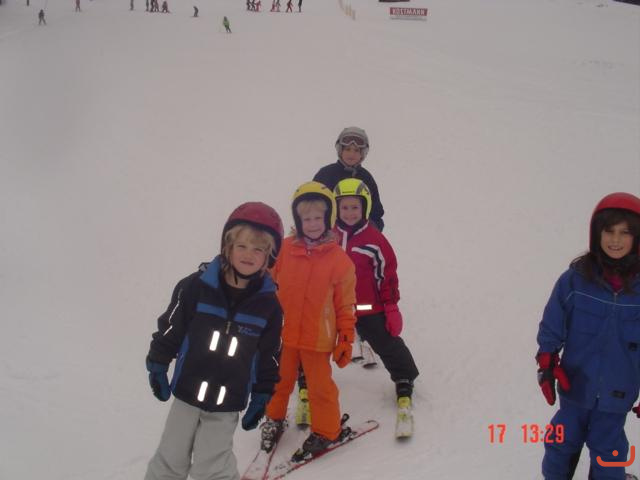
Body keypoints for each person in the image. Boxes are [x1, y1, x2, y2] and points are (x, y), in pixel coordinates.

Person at [144, 202, 284, 480]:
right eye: (242, 245)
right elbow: (172, 327)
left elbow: (269, 355)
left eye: (258, 249)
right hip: (186, 393)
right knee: (170, 456)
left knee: (213, 466)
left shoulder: (269, 308)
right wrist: (158, 362)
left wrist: (262, 394)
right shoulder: (196, 287)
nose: (249, 254)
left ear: (269, 256)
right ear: (227, 246)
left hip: (227, 401)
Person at [536, 192, 640, 480]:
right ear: (596, 233)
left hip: (618, 393)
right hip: (575, 386)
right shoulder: (575, 280)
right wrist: (547, 362)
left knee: (610, 450)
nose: (615, 240)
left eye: (625, 233)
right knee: (559, 442)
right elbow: (553, 322)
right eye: (609, 231)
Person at [260, 181, 357, 461]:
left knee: (320, 387)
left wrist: (345, 339)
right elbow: (266, 284)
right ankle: (274, 418)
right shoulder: (284, 250)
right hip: (284, 334)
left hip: (318, 338)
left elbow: (345, 305)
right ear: (297, 220)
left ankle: (328, 431)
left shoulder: (340, 261)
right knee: (278, 381)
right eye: (306, 219)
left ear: (328, 218)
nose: (312, 224)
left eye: (318, 218)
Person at [333, 179, 419, 426]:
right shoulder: (328, 236)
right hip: (334, 307)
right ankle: (306, 378)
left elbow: (387, 275)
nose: (350, 213)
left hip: (366, 307)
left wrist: (390, 306)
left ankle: (404, 377)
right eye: (344, 207)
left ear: (365, 208)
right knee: (313, 341)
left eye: (355, 207)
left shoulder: (374, 239)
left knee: (385, 341)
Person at [313, 126, 385, 231]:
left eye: (356, 150)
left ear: (362, 154)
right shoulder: (325, 175)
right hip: (330, 236)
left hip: (359, 237)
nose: (351, 154)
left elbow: (376, 214)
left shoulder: (366, 178)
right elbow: (311, 208)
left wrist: (371, 231)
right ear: (340, 150)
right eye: (347, 149)